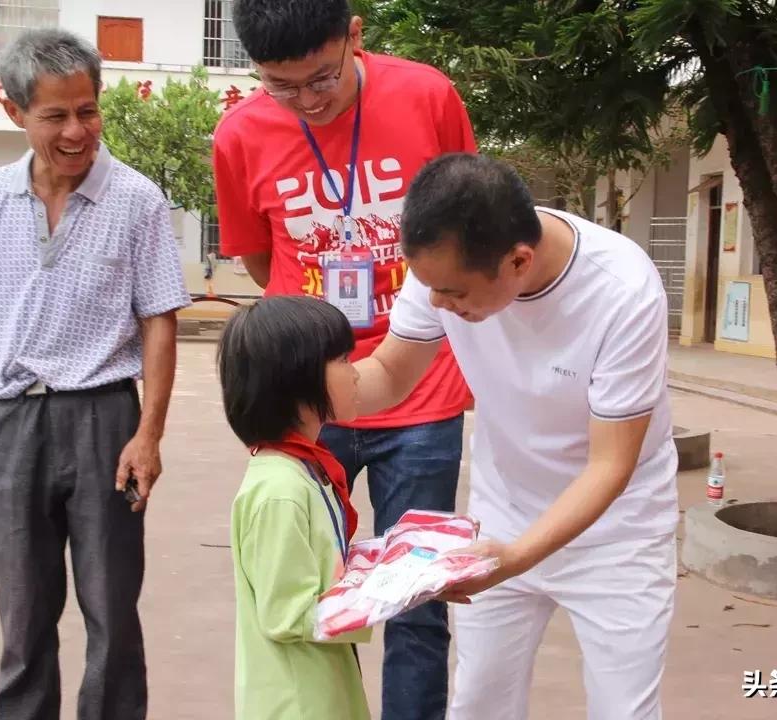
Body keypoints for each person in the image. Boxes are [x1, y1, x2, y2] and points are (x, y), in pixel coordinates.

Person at [211, 2, 476, 716]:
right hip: (306, 390)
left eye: (321, 78)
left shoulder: (427, 96)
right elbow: (263, 257)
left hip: (421, 389)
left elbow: (466, 217)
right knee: (312, 583)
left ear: (354, 36)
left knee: (416, 603)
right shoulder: (238, 135)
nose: (307, 99)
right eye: (281, 86)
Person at [355, 153, 679, 720]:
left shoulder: (622, 291)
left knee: (623, 709)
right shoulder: (445, 262)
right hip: (504, 511)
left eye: (453, 294)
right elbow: (386, 376)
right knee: (479, 702)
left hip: (619, 532)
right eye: (429, 287)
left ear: (519, 261)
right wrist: (294, 390)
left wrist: (516, 559)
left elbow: (609, 467)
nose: (437, 304)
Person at [0, 28, 191, 720]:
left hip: (104, 418)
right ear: (14, 111)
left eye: (88, 110)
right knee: (23, 617)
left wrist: (148, 433)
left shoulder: (137, 202)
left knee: (112, 612)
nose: (78, 130)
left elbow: (159, 320)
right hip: (15, 421)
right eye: (56, 115)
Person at [218, 295, 372, 720]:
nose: (357, 372)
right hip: (297, 703)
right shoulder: (280, 490)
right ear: (296, 380)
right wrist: (386, 593)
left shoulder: (302, 470)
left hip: (321, 688)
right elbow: (288, 614)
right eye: (342, 359)